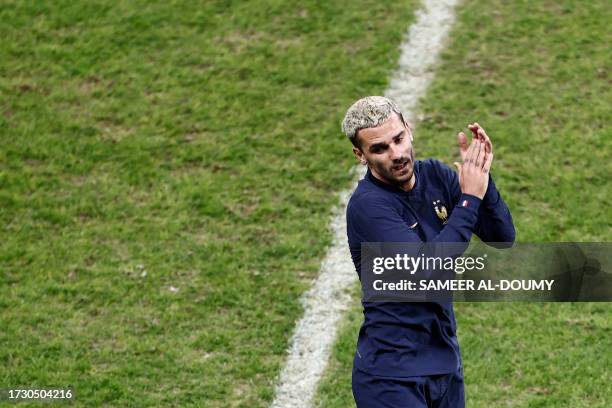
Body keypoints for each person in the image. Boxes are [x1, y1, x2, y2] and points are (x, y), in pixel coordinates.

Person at [342, 96, 515, 408]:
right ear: (360, 155)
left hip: (444, 363)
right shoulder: (368, 207)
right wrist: (469, 199)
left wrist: (482, 180)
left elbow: (502, 237)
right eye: (380, 148)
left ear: (409, 130)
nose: (396, 154)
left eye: (398, 139)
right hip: (391, 376)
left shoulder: (435, 176)